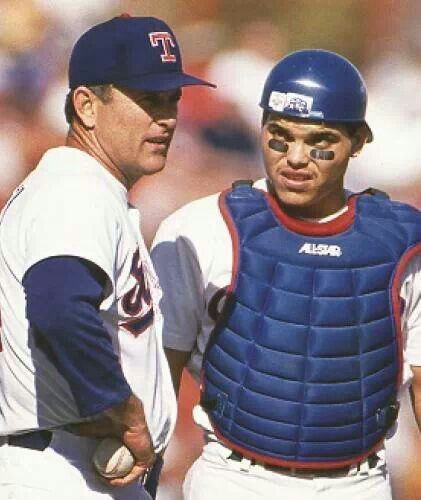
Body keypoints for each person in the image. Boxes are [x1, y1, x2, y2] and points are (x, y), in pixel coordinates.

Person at [0, 14, 214, 500]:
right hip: (55, 469)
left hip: (61, 465)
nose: (165, 118)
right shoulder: (76, 189)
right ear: (86, 105)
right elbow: (58, 306)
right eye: (146, 100)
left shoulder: (82, 189)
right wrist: (123, 411)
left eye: (171, 100)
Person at [151, 49, 421, 500]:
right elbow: (158, 370)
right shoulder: (199, 228)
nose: (295, 157)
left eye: (319, 141)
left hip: (357, 484)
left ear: (358, 140)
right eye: (279, 137)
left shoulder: (403, 246)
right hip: (233, 478)